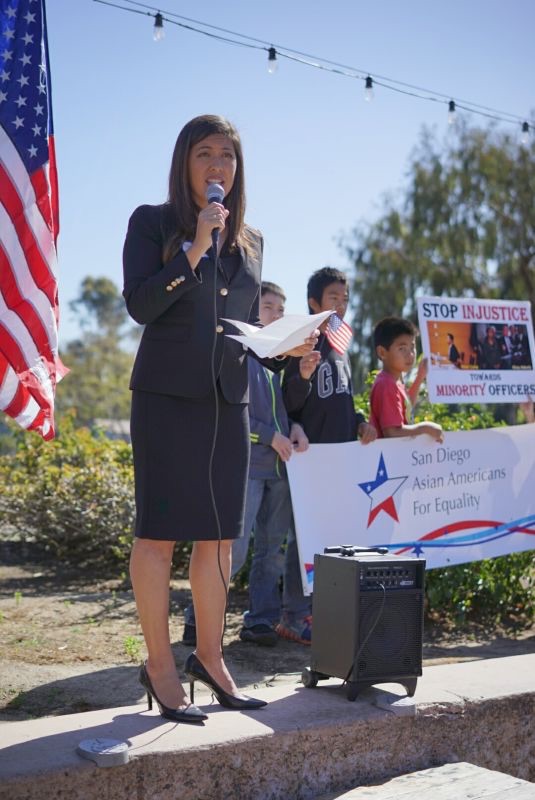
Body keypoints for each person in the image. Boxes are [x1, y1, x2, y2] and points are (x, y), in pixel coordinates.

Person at [122, 115, 317, 722]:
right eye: (205, 153)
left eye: (227, 155)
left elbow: (243, 327)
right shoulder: (152, 222)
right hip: (166, 398)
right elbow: (141, 304)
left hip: (227, 401)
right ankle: (160, 666)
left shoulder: (251, 239)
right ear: (185, 162)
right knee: (158, 535)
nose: (217, 165)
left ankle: (211, 658)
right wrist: (195, 248)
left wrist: (282, 346)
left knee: (220, 538)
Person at [182, 281, 310, 649]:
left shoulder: (279, 363)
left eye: (281, 310)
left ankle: (260, 621)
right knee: (231, 552)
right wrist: (269, 436)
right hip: (246, 470)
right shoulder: (236, 354)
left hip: (279, 471)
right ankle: (197, 620)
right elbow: (228, 414)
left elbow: (284, 411)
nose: (277, 315)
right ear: (253, 312)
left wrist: (294, 427)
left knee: (272, 552)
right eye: (269, 307)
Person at [280, 267, 377, 643]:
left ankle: (322, 609)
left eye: (345, 298)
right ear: (314, 302)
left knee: (332, 535)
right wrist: (301, 381)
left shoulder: (341, 346)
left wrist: (360, 421)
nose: (341, 304)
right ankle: (293, 614)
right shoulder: (301, 343)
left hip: (340, 457)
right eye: (333, 297)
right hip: (309, 458)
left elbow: (342, 400)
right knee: (302, 538)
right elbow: (288, 402)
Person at [370, 316, 443, 441]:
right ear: (382, 352)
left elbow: (407, 407)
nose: (410, 354)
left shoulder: (395, 380)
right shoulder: (386, 384)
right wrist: (425, 428)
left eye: (412, 347)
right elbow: (392, 433)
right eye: (402, 348)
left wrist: (420, 376)